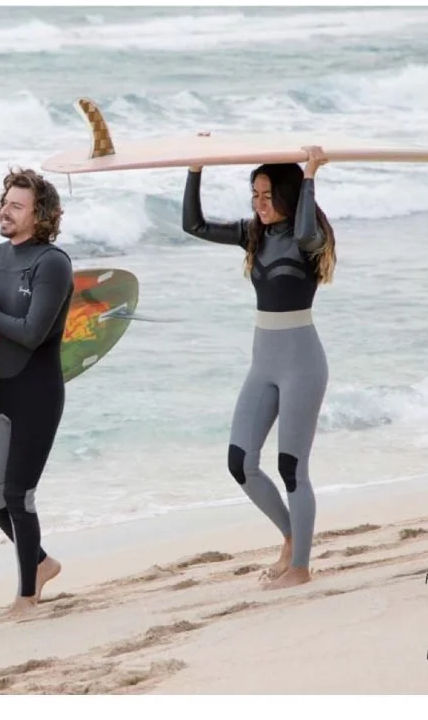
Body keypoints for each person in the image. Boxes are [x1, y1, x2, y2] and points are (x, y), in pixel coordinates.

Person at [181, 149, 337, 588]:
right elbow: (191, 225)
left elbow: (304, 226)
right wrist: (196, 167)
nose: (259, 203)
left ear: (288, 194)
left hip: (302, 363)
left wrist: (309, 175)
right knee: (240, 463)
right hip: (263, 363)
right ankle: (290, 537)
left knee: (293, 469)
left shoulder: (310, 240)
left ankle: (301, 568)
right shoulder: (254, 235)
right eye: (254, 194)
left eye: (267, 194)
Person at [0, 167, 74, 610]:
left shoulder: (52, 264)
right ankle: (42, 562)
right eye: (4, 203)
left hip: (38, 393)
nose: (5, 211)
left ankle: (27, 595)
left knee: (17, 495)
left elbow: (30, 333)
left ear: (39, 214)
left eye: (16, 206)